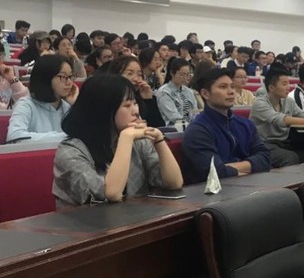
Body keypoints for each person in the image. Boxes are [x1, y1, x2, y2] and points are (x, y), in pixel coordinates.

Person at [52, 75, 183, 207]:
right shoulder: (70, 151)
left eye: (135, 103)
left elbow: (174, 183)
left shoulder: (137, 141)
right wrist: (125, 139)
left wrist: (159, 139)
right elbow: (111, 193)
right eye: (127, 105)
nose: (136, 111)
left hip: (135, 216)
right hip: (88, 219)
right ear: (103, 110)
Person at [182, 69, 271, 184]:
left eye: (232, 87)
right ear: (205, 94)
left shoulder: (245, 124)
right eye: (223, 87)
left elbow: (265, 158)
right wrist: (252, 168)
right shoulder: (198, 131)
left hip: (250, 186)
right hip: (213, 192)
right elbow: (216, 172)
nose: (231, 92)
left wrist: (231, 168)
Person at [251, 65, 304, 167]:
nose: (288, 87)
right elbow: (281, 120)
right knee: (290, 157)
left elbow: (303, 115)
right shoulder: (259, 103)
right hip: (263, 144)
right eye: (284, 84)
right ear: (271, 87)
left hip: (284, 143)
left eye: (289, 83)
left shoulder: (288, 101)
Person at [7, 55, 79, 142]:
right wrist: (65, 137)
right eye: (63, 77)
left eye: (70, 76)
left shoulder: (67, 106)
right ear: (46, 78)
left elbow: (86, 134)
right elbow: (14, 137)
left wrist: (75, 104)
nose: (69, 82)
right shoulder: (26, 105)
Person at [106, 56, 165, 128]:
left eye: (139, 74)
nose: (136, 79)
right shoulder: (108, 100)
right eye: (130, 73)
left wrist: (148, 100)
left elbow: (159, 127)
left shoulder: (139, 98)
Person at [156, 57, 198, 126]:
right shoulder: (164, 92)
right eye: (182, 74)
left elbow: (195, 112)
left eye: (187, 75)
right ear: (172, 73)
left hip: (191, 127)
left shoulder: (189, 91)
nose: (185, 78)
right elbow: (174, 117)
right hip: (174, 129)